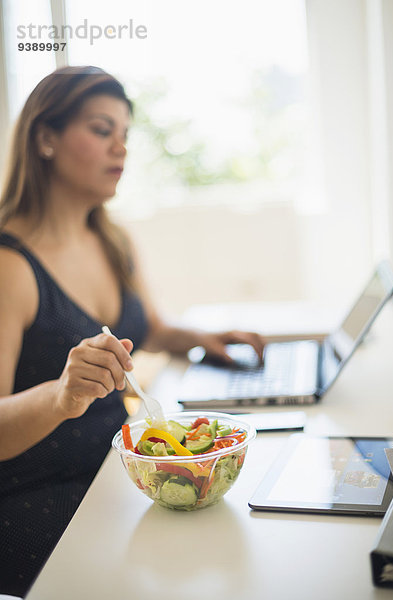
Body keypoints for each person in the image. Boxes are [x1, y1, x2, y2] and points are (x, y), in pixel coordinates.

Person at [0, 65, 265, 597]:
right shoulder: (10, 266)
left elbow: (149, 328)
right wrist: (62, 394)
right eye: (102, 130)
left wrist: (201, 337)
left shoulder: (111, 239)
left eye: (125, 135)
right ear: (45, 138)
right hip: (45, 498)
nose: (120, 148)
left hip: (115, 474)